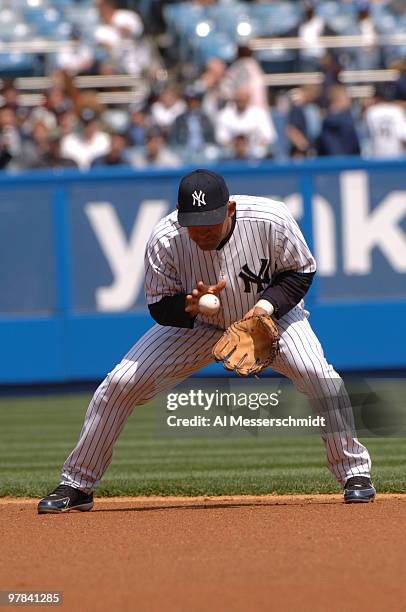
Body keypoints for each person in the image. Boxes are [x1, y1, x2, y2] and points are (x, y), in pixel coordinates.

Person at [37, 168, 375, 514]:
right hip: (198, 326)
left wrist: (263, 309)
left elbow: (299, 271)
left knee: (318, 375)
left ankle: (354, 473)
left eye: (210, 222)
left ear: (229, 210)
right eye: (193, 223)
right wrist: (190, 305)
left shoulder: (269, 218)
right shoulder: (165, 238)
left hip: (271, 319)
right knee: (120, 383)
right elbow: (159, 306)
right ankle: (77, 484)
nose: (200, 231)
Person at [216, 87, 277, 159]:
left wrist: (250, 146)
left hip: (255, 152)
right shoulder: (224, 115)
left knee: (261, 151)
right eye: (238, 99)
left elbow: (269, 137)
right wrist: (238, 146)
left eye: (243, 99)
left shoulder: (259, 113)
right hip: (232, 152)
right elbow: (221, 139)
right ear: (234, 99)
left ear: (248, 99)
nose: (241, 101)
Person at [364, 84, 406, 158]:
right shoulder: (397, 111)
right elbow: (403, 135)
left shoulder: (370, 112)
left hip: (377, 155)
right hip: (397, 155)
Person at [317, 85, 361, 156]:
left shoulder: (345, 117)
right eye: (346, 97)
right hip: (340, 162)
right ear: (339, 99)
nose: (350, 100)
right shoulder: (333, 121)